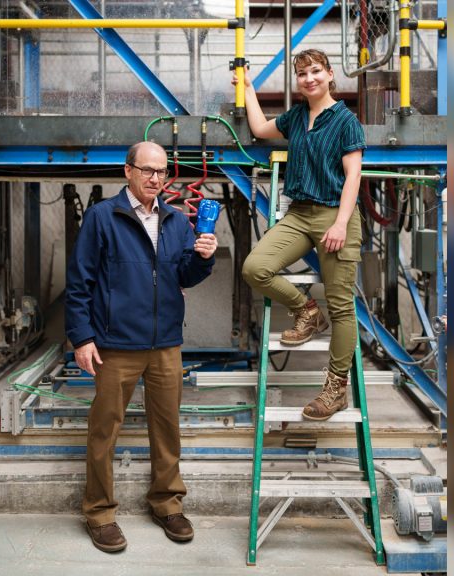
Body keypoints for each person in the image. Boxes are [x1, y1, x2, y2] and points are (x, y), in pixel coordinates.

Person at [65, 141, 218, 553]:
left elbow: (183, 275)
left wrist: (203, 257)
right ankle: (99, 513)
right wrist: (82, 337)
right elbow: (79, 281)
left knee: (167, 430)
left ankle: (167, 504)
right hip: (115, 345)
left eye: (162, 172)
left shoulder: (176, 220)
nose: (155, 178)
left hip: (166, 343)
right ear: (127, 171)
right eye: (147, 170)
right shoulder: (103, 217)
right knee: (104, 431)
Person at [232, 49, 366, 420]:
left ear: (329, 74)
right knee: (255, 267)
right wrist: (248, 88)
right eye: (303, 73)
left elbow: (353, 175)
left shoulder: (345, 121)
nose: (309, 79)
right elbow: (260, 130)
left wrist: (340, 223)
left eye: (316, 71)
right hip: (299, 214)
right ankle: (307, 311)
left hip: (334, 215)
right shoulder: (296, 117)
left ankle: (334, 389)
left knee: (341, 307)